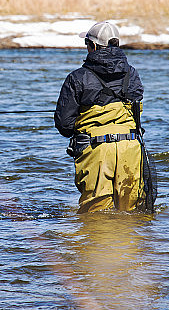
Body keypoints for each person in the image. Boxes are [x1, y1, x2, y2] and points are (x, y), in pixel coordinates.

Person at [54, 20, 154, 213]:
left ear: (93, 46)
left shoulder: (77, 78)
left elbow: (64, 125)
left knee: (95, 216)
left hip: (96, 151)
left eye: (86, 44)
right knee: (133, 214)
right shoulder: (132, 74)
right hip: (131, 149)